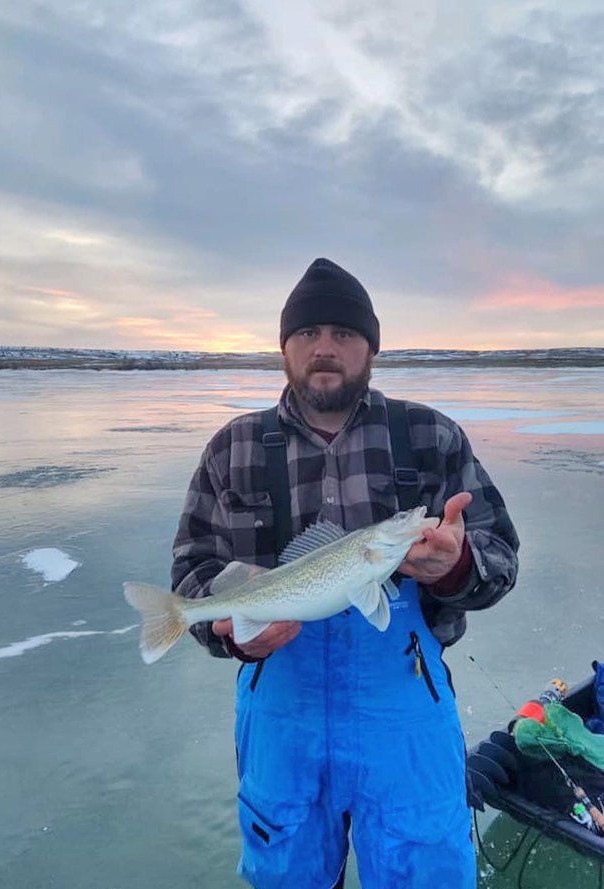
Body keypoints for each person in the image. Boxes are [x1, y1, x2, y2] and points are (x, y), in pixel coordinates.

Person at [172, 258, 519, 889]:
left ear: (371, 349)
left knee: (428, 867)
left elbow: (500, 561)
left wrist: (456, 566)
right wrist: (226, 631)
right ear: (285, 347)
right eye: (308, 334)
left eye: (343, 334)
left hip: (405, 710)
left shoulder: (430, 437)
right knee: (288, 873)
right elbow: (193, 573)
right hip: (282, 713)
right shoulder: (233, 447)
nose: (324, 348)